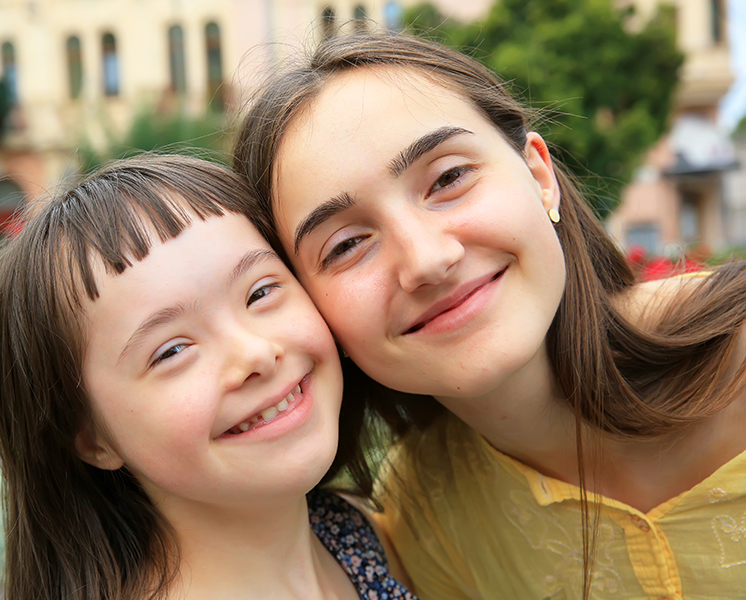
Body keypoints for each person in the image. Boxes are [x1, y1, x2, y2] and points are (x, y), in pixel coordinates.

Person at [233, 30, 746, 600]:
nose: (426, 261)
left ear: (539, 175)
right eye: (347, 245)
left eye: (449, 178)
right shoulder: (423, 516)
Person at [0, 154, 417, 600]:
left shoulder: (356, 536)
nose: (255, 353)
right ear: (91, 438)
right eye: (172, 351)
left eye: (261, 292)